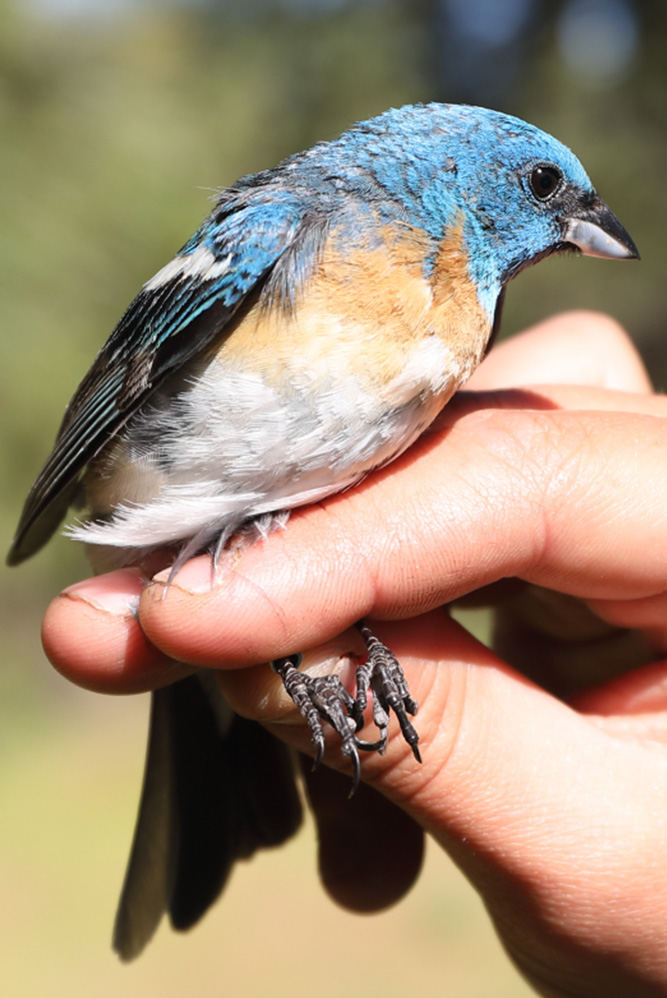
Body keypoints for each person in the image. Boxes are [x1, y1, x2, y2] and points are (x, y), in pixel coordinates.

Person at [41, 311, 667, 996]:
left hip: (264, 562)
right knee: (249, 611)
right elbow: (140, 358)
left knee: (300, 593)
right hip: (172, 517)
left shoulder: (456, 313)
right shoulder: (298, 226)